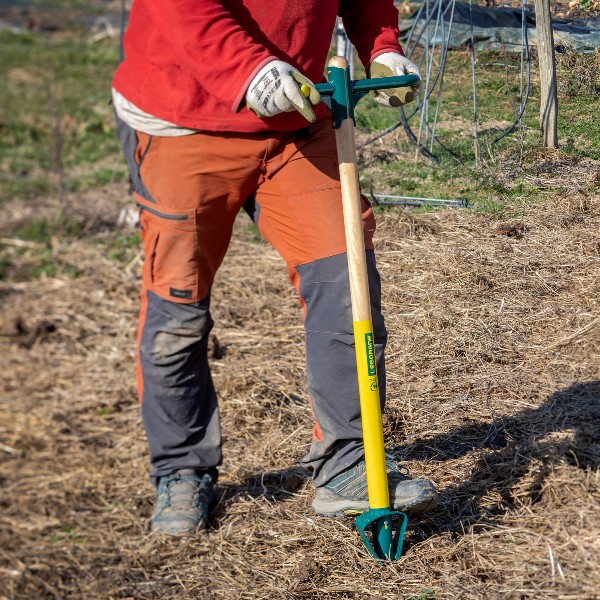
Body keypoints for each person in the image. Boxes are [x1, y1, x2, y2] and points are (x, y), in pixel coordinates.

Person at [112, 0, 438, 535]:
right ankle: (182, 469)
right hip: (182, 118)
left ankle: (349, 463)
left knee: (345, 278)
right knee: (178, 309)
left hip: (297, 117)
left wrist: (381, 45)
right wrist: (247, 69)